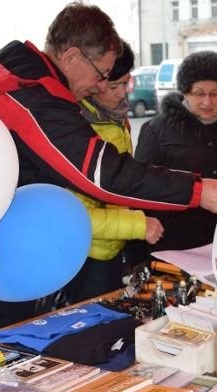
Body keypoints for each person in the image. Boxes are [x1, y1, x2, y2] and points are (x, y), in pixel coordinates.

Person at [0, 3, 217, 335]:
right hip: (7, 264)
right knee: (12, 349)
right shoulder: (33, 100)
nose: (100, 86)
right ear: (71, 58)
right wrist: (199, 191)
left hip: (19, 257)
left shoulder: (34, 90)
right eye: (101, 74)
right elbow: (101, 174)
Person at [61, 40, 164, 304]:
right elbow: (76, 216)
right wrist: (137, 225)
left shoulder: (114, 118)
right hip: (87, 258)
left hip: (111, 250)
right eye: (114, 85)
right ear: (96, 81)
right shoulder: (81, 130)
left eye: (125, 84)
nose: (121, 94)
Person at [133, 50, 217, 255]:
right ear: (185, 92)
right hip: (172, 248)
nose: (207, 102)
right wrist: (136, 255)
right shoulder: (157, 130)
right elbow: (139, 188)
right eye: (199, 93)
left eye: (215, 93)